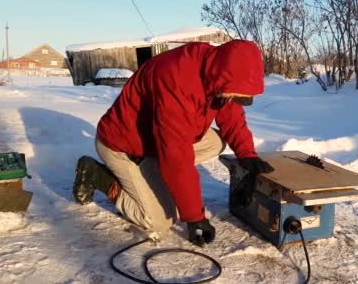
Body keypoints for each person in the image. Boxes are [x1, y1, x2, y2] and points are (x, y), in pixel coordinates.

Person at [72, 40, 274, 246]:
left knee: (217, 141)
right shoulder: (175, 79)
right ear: (223, 79)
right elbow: (176, 156)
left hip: (154, 143)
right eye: (233, 95)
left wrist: (247, 154)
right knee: (160, 220)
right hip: (120, 146)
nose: (232, 99)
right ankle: (97, 175)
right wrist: (194, 216)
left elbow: (232, 117)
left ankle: (156, 173)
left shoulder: (218, 69)